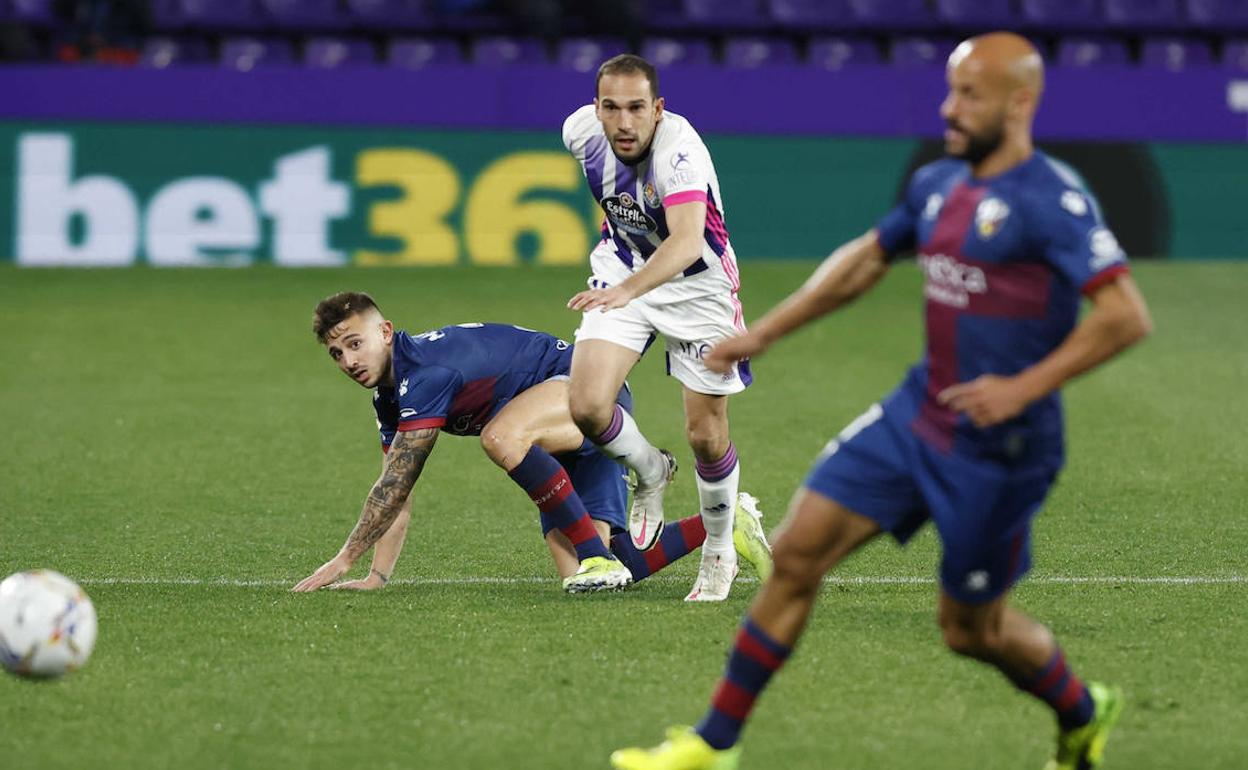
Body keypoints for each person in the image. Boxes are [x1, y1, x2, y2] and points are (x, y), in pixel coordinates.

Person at [610, 32, 1152, 770]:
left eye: (969, 94)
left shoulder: (1051, 198)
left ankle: (1084, 712)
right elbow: (866, 260)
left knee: (970, 630)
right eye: (950, 89)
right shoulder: (939, 184)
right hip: (917, 415)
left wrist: (1020, 389)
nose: (948, 107)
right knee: (798, 553)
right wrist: (762, 333)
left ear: (1019, 103)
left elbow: (1125, 316)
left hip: (1002, 449)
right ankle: (714, 743)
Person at [291, 292, 773, 594]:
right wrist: (376, 577)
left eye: (355, 343)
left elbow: (393, 487)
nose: (348, 359)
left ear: (385, 332)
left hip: (587, 396)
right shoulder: (390, 401)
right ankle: (728, 525)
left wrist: (344, 558)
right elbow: (399, 493)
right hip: (550, 433)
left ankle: (641, 470)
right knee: (608, 571)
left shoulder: (426, 374)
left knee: (501, 435)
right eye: (337, 353)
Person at [563, 54, 752, 602]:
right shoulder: (581, 134)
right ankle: (650, 472)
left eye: (636, 108)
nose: (623, 122)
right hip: (624, 269)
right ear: (595, 108)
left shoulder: (681, 154)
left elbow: (688, 241)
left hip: (699, 289)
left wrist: (626, 290)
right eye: (611, 107)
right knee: (588, 407)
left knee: (706, 435)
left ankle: (718, 550)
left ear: (658, 108)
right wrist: (622, 272)